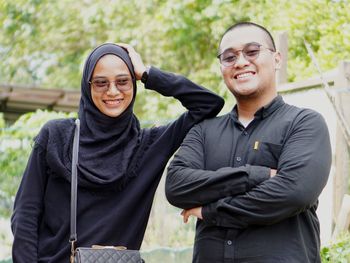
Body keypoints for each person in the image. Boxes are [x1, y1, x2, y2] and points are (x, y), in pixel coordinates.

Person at [11, 43, 224, 262]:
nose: (112, 91)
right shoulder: (57, 136)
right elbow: (26, 214)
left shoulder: (149, 145)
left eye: (123, 81)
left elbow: (209, 104)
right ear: (88, 86)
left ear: (134, 83)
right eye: (101, 83)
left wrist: (147, 74)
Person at [166, 22, 332, 263]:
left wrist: (210, 210)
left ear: (277, 59)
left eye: (252, 51)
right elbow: (176, 186)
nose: (240, 62)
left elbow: (293, 193)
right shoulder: (203, 131)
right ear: (221, 67)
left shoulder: (304, 123)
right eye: (229, 56)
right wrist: (259, 175)